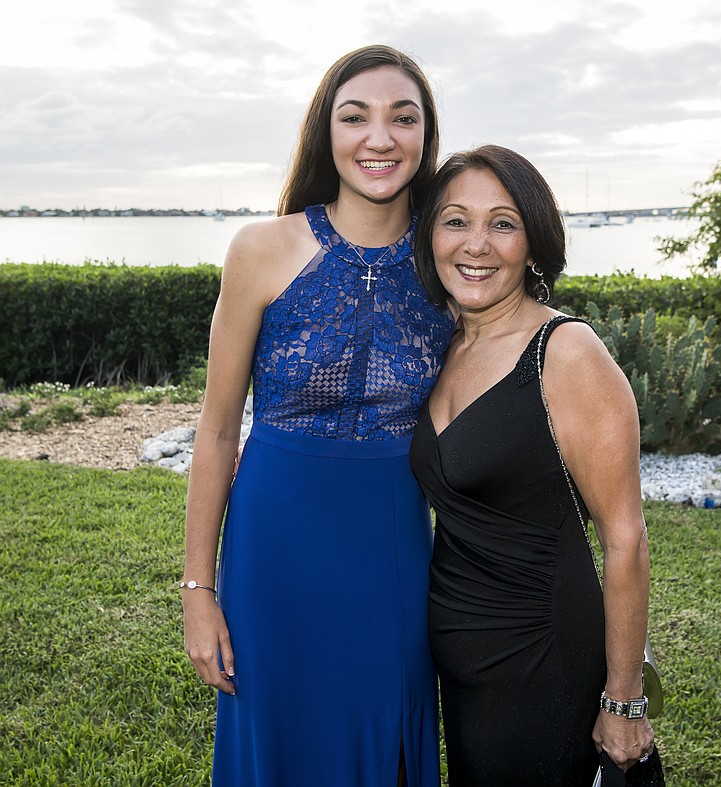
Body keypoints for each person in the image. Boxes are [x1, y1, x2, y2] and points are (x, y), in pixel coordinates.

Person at [181, 45, 455, 787]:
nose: (379, 137)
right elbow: (214, 430)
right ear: (325, 133)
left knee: (384, 724)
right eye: (355, 116)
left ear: (425, 137)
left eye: (404, 118)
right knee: (278, 733)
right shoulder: (261, 250)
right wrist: (199, 592)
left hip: (392, 549)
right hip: (274, 551)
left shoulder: (447, 262)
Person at [410, 146, 658, 785]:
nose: (477, 244)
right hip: (462, 667)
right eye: (456, 220)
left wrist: (624, 699)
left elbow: (624, 539)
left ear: (533, 242)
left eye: (503, 222)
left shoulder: (566, 353)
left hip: (541, 660)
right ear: (430, 234)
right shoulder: (449, 341)